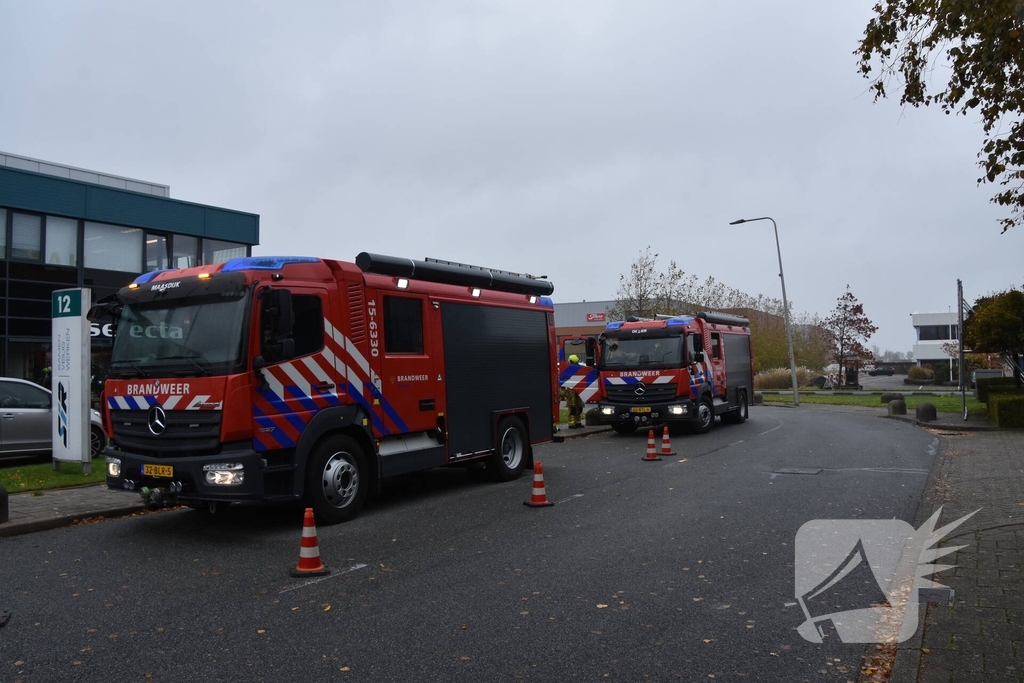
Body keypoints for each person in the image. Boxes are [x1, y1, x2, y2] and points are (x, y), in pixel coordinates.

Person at [561, 354, 586, 429]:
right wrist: (563, 391)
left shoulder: (579, 368)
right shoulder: (566, 370)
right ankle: (571, 423)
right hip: (571, 390)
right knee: (572, 407)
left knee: (580, 407)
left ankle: (578, 422)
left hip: (579, 389)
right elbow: (563, 380)